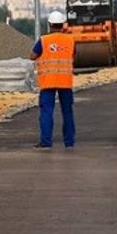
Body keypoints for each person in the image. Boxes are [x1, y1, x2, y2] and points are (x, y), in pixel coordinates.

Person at [31, 11, 75, 149]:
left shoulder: (44, 40)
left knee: (46, 112)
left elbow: (32, 55)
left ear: (49, 25)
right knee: (67, 112)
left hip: (48, 81)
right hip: (65, 81)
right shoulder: (70, 40)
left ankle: (46, 142)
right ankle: (69, 142)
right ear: (63, 25)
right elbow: (73, 54)